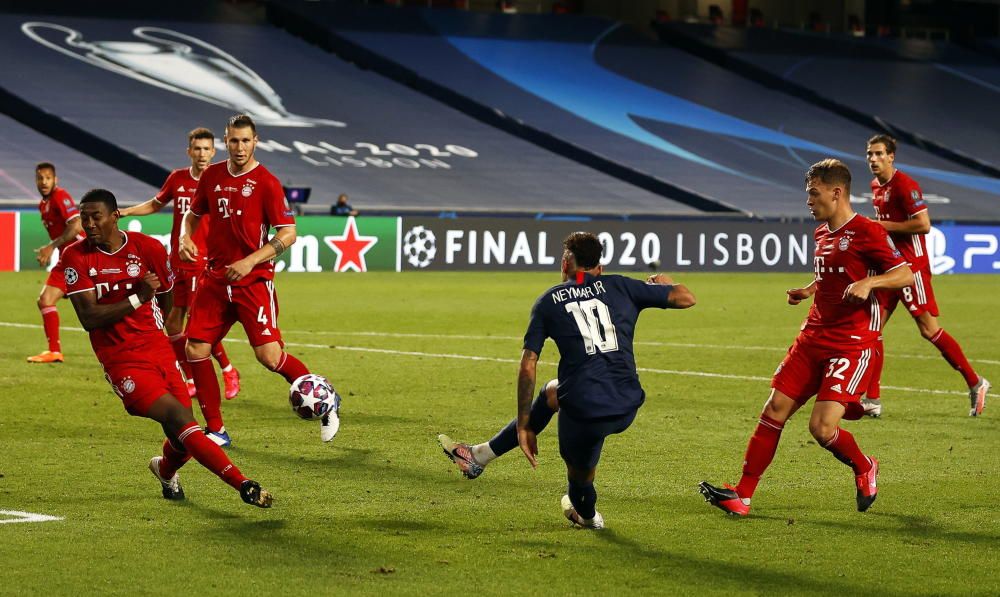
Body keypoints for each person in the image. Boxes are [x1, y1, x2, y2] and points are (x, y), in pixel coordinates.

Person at [439, 231, 696, 529]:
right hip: (627, 401)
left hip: (587, 411)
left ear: (565, 264)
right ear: (599, 268)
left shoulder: (548, 302)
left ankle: (587, 518)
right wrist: (662, 281)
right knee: (553, 392)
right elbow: (686, 297)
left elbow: (528, 365)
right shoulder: (621, 285)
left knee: (580, 480)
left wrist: (524, 423)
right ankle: (479, 456)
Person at [699, 159, 913, 517]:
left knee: (822, 428)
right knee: (774, 410)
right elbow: (832, 275)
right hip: (812, 337)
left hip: (852, 342)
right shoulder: (821, 233)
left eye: (813, 194)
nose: (808, 201)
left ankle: (864, 466)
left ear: (836, 192)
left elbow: (904, 274)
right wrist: (808, 290)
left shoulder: (868, 231)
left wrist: (869, 282)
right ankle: (743, 495)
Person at [60, 188, 271, 508]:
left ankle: (164, 469)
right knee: (180, 419)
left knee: (181, 438)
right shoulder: (75, 256)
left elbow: (169, 294)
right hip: (121, 360)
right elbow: (89, 317)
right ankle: (242, 484)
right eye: (83, 217)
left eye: (95, 217)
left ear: (115, 217)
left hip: (157, 349)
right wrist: (138, 298)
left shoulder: (148, 248)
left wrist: (166, 325)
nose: (87, 224)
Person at [180, 114, 340, 447]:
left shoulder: (267, 182)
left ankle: (326, 403)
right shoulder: (211, 176)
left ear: (256, 141)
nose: (239, 147)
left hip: (253, 282)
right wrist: (185, 237)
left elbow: (289, 233)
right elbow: (193, 215)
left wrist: (249, 260)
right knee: (195, 348)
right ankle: (216, 430)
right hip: (215, 278)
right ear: (226, 141)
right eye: (234, 140)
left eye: (245, 140)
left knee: (269, 357)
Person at [861, 134, 990, 417]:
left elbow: (923, 225)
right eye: (870, 154)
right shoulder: (875, 186)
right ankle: (871, 399)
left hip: (911, 270)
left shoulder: (906, 186)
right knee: (872, 329)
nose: (873, 159)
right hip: (889, 268)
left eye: (879, 154)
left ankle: (976, 382)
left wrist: (881, 226)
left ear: (891, 156)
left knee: (929, 330)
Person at [120, 128, 241, 401]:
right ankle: (188, 378)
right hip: (176, 262)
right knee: (173, 325)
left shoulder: (220, 180)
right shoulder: (178, 178)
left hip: (204, 262)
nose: (201, 154)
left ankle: (229, 370)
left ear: (214, 152)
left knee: (198, 325)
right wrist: (127, 211)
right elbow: (155, 204)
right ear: (189, 151)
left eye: (206, 149)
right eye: (196, 149)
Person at [26, 162, 83, 363]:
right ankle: (54, 351)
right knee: (45, 300)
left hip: (82, 256)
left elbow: (76, 226)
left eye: (48, 178)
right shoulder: (43, 204)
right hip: (68, 258)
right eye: (40, 178)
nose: (44, 182)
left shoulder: (61, 196)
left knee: (102, 306)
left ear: (55, 180)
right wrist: (54, 248)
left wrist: (51, 246)